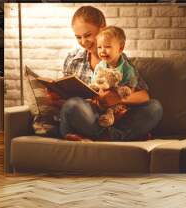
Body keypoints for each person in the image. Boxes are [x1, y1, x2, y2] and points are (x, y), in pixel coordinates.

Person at [57, 6, 163, 141]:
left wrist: (118, 99)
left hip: (116, 116)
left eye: (88, 35)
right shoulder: (72, 60)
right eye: (78, 37)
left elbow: (144, 96)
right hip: (89, 116)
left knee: (154, 108)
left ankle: (100, 136)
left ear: (103, 29)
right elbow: (67, 101)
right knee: (72, 105)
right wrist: (55, 97)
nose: (83, 42)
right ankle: (117, 136)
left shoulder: (121, 61)